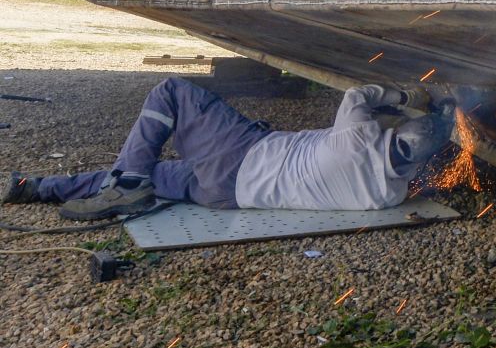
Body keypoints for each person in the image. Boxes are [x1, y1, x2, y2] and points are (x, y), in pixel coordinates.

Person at [3, 76, 453, 220]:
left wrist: (408, 99)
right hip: (227, 197)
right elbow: (397, 156)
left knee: (172, 92)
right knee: (161, 177)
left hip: (243, 154)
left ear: (393, 136)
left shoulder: (355, 136)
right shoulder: (390, 195)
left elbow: (359, 97)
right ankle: (38, 188)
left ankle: (127, 182)